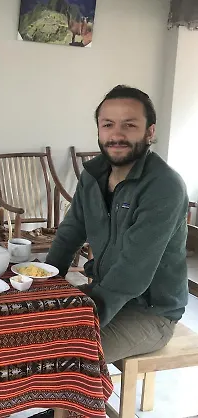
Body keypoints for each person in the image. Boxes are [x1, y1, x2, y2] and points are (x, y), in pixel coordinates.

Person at [46, 85, 189, 364]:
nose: (117, 135)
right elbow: (70, 233)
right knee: (26, 326)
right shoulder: (93, 175)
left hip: (150, 313)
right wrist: (47, 285)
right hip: (104, 292)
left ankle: (75, 394)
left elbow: (132, 271)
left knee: (66, 355)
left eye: (129, 125)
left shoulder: (163, 186)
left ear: (150, 132)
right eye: (108, 124)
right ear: (99, 130)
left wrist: (85, 317)